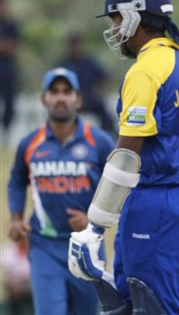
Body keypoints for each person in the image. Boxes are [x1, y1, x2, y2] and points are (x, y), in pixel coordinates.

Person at [67, 0, 179, 315]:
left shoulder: (146, 70)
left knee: (155, 304)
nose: (115, 30)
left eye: (116, 19)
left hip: (156, 200)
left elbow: (126, 159)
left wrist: (95, 228)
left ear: (133, 17)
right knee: (125, 303)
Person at [7, 67, 115, 315]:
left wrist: (94, 221)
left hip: (87, 246)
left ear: (78, 99)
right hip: (44, 247)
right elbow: (16, 182)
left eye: (67, 92)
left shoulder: (99, 142)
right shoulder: (30, 144)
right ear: (44, 99)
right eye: (54, 92)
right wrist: (15, 219)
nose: (60, 98)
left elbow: (117, 188)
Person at [59, 32, 116, 134]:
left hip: (88, 98)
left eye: (78, 45)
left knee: (102, 108)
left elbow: (104, 77)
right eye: (73, 45)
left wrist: (102, 92)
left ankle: (109, 134)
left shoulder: (90, 62)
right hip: (70, 99)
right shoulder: (63, 65)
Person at [0, 0, 20, 138]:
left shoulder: (11, 25)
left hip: (7, 67)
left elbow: (13, 46)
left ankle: (6, 135)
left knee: (9, 103)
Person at [0, 239, 33, 315]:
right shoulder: (8, 251)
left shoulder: (38, 251)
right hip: (14, 294)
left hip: (32, 294)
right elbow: (6, 274)